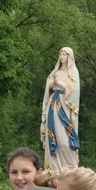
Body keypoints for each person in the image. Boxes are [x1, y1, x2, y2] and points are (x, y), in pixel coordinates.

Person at [40, 47, 80, 177]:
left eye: (64, 54)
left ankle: (69, 166)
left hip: (65, 104)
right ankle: (53, 167)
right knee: (52, 132)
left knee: (64, 137)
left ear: (69, 57)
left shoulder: (73, 72)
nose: (62, 56)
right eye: (61, 54)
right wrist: (52, 84)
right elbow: (48, 88)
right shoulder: (55, 71)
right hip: (53, 103)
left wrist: (60, 83)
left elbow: (74, 91)